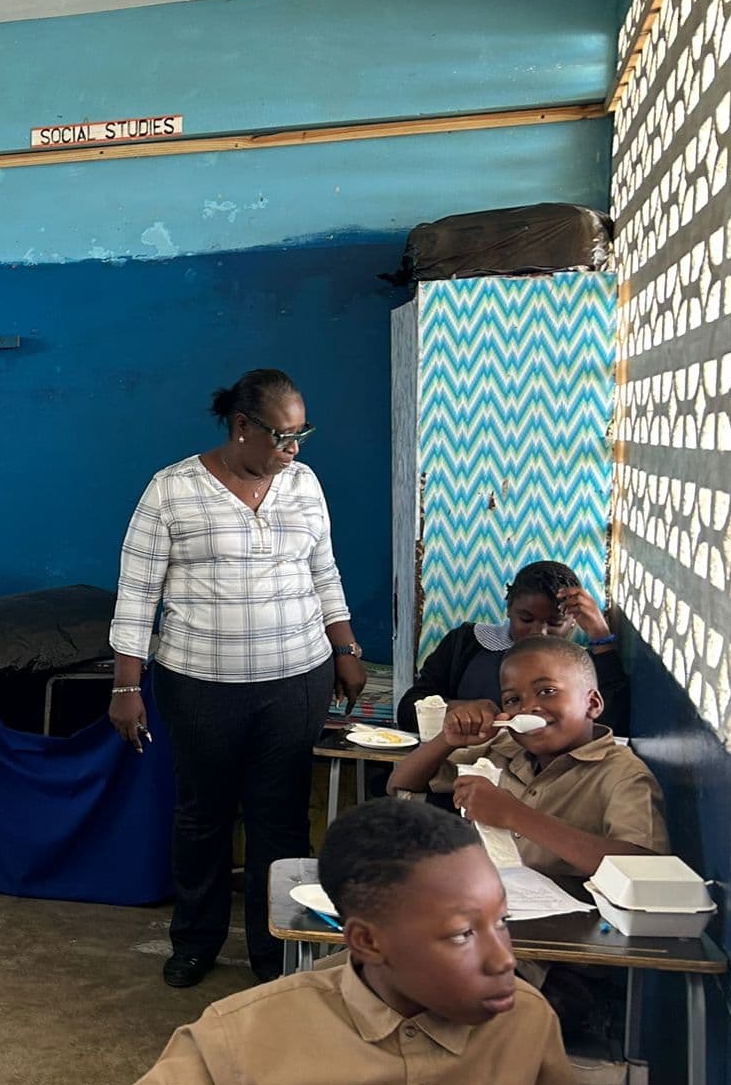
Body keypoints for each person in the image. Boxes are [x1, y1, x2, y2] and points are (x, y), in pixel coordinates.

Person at [49, 799, 599, 1085]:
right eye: (461, 934)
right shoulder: (263, 1026)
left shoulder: (526, 1021)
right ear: (367, 941)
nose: (504, 957)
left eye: (500, 921)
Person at [108, 368, 366, 987]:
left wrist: (345, 646)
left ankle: (276, 949)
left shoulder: (303, 484)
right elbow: (138, 593)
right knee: (204, 815)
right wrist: (125, 686)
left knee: (280, 818)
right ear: (242, 426)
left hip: (296, 678)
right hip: (199, 684)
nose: (294, 450)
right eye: (283, 436)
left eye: (302, 435)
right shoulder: (171, 490)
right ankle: (195, 940)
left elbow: (323, 569)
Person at [386, 636, 666, 876]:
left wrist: (514, 815)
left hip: (571, 931)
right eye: (512, 700)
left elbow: (642, 870)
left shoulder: (622, 774)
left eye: (548, 691)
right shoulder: (503, 747)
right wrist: (447, 740)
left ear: (592, 703)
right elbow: (400, 784)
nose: (529, 708)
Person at [397, 559, 628, 734]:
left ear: (573, 621)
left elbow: (611, 726)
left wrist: (600, 634)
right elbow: (408, 710)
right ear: (509, 609)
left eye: (554, 623)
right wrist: (460, 710)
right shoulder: (467, 644)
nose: (538, 632)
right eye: (525, 619)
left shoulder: (580, 667)